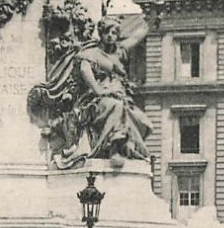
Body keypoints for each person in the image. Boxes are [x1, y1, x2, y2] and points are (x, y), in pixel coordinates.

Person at [29, 15, 151, 168]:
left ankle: (127, 149)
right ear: (101, 33)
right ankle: (115, 150)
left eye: (114, 33)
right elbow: (85, 72)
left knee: (139, 117)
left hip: (117, 97)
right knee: (115, 106)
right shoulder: (91, 53)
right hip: (92, 99)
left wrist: (155, 13)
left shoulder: (119, 52)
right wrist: (100, 91)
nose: (110, 36)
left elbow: (137, 36)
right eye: (107, 32)